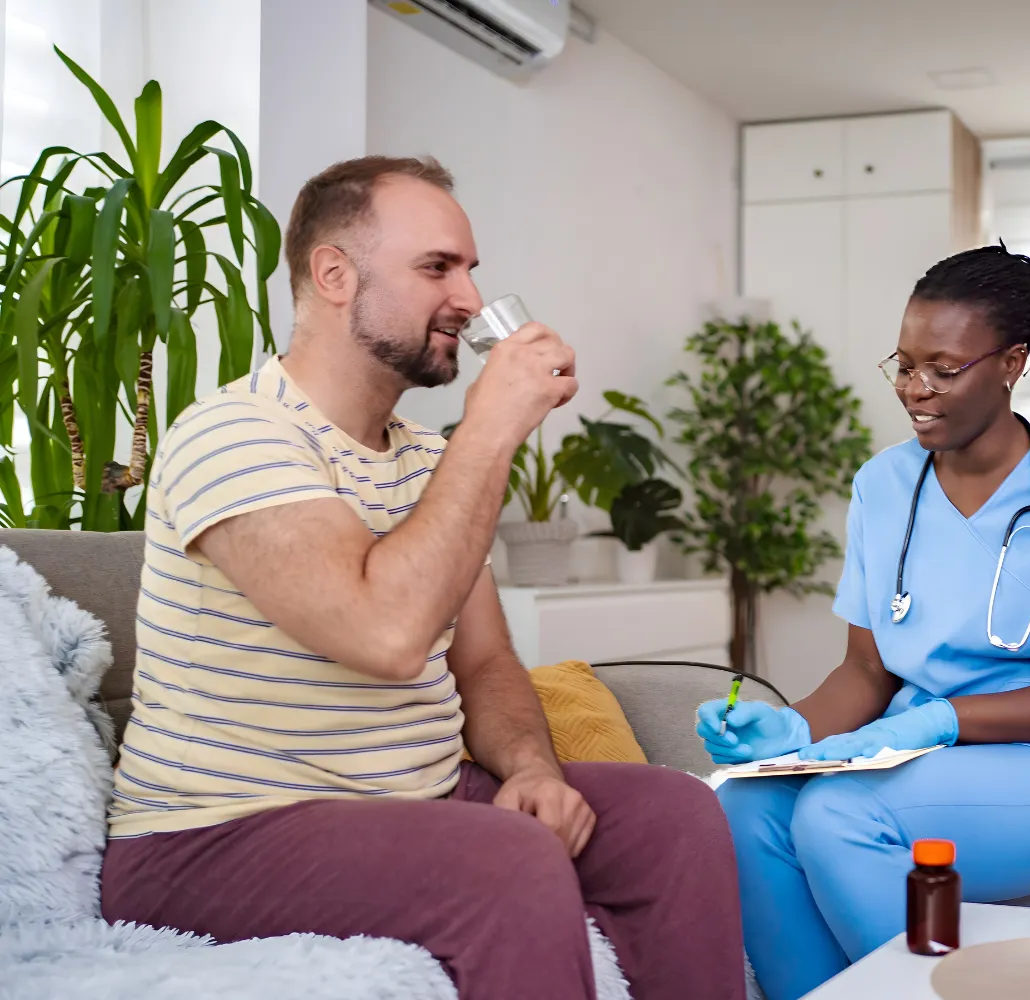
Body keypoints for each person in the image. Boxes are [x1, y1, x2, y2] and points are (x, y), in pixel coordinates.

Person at [99, 156, 746, 1000]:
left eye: (471, 269)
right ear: (334, 274)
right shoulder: (233, 433)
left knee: (675, 816)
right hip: (217, 836)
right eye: (438, 267)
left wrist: (533, 772)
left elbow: (483, 664)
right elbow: (386, 636)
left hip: (423, 802)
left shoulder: (426, 461)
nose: (472, 299)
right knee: (508, 859)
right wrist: (492, 426)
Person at [698, 245, 1030, 1000]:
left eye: (944, 370)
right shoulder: (883, 485)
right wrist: (787, 731)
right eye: (905, 365)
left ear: (1011, 362)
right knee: (743, 807)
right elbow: (865, 672)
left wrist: (944, 719)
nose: (916, 390)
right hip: (907, 760)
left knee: (835, 816)